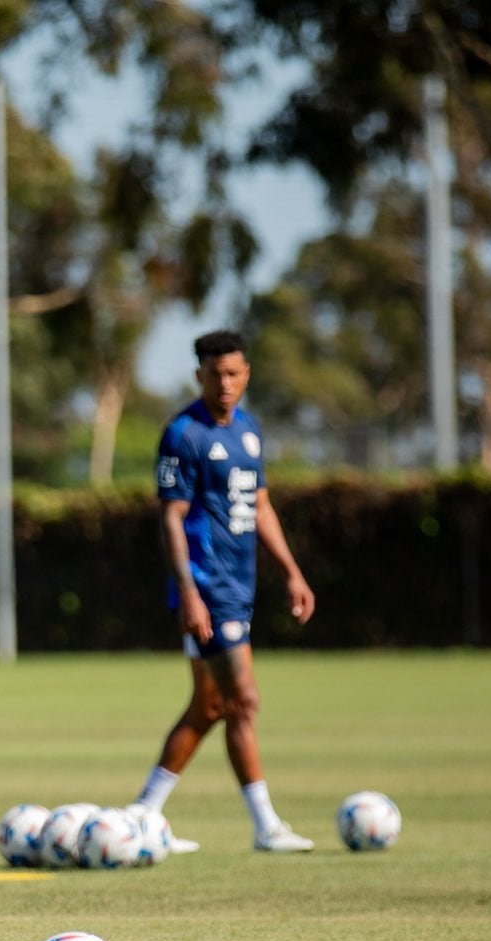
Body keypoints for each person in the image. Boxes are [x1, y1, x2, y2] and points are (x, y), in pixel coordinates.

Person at [127, 330, 316, 853]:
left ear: (247, 373)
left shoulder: (250, 431)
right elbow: (171, 518)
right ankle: (265, 826)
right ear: (199, 376)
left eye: (233, 373)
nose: (225, 383)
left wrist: (292, 571)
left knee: (209, 706)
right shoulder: (183, 434)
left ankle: (142, 812)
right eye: (215, 374)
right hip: (209, 588)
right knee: (244, 700)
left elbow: (261, 506)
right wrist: (187, 592)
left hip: (241, 585)